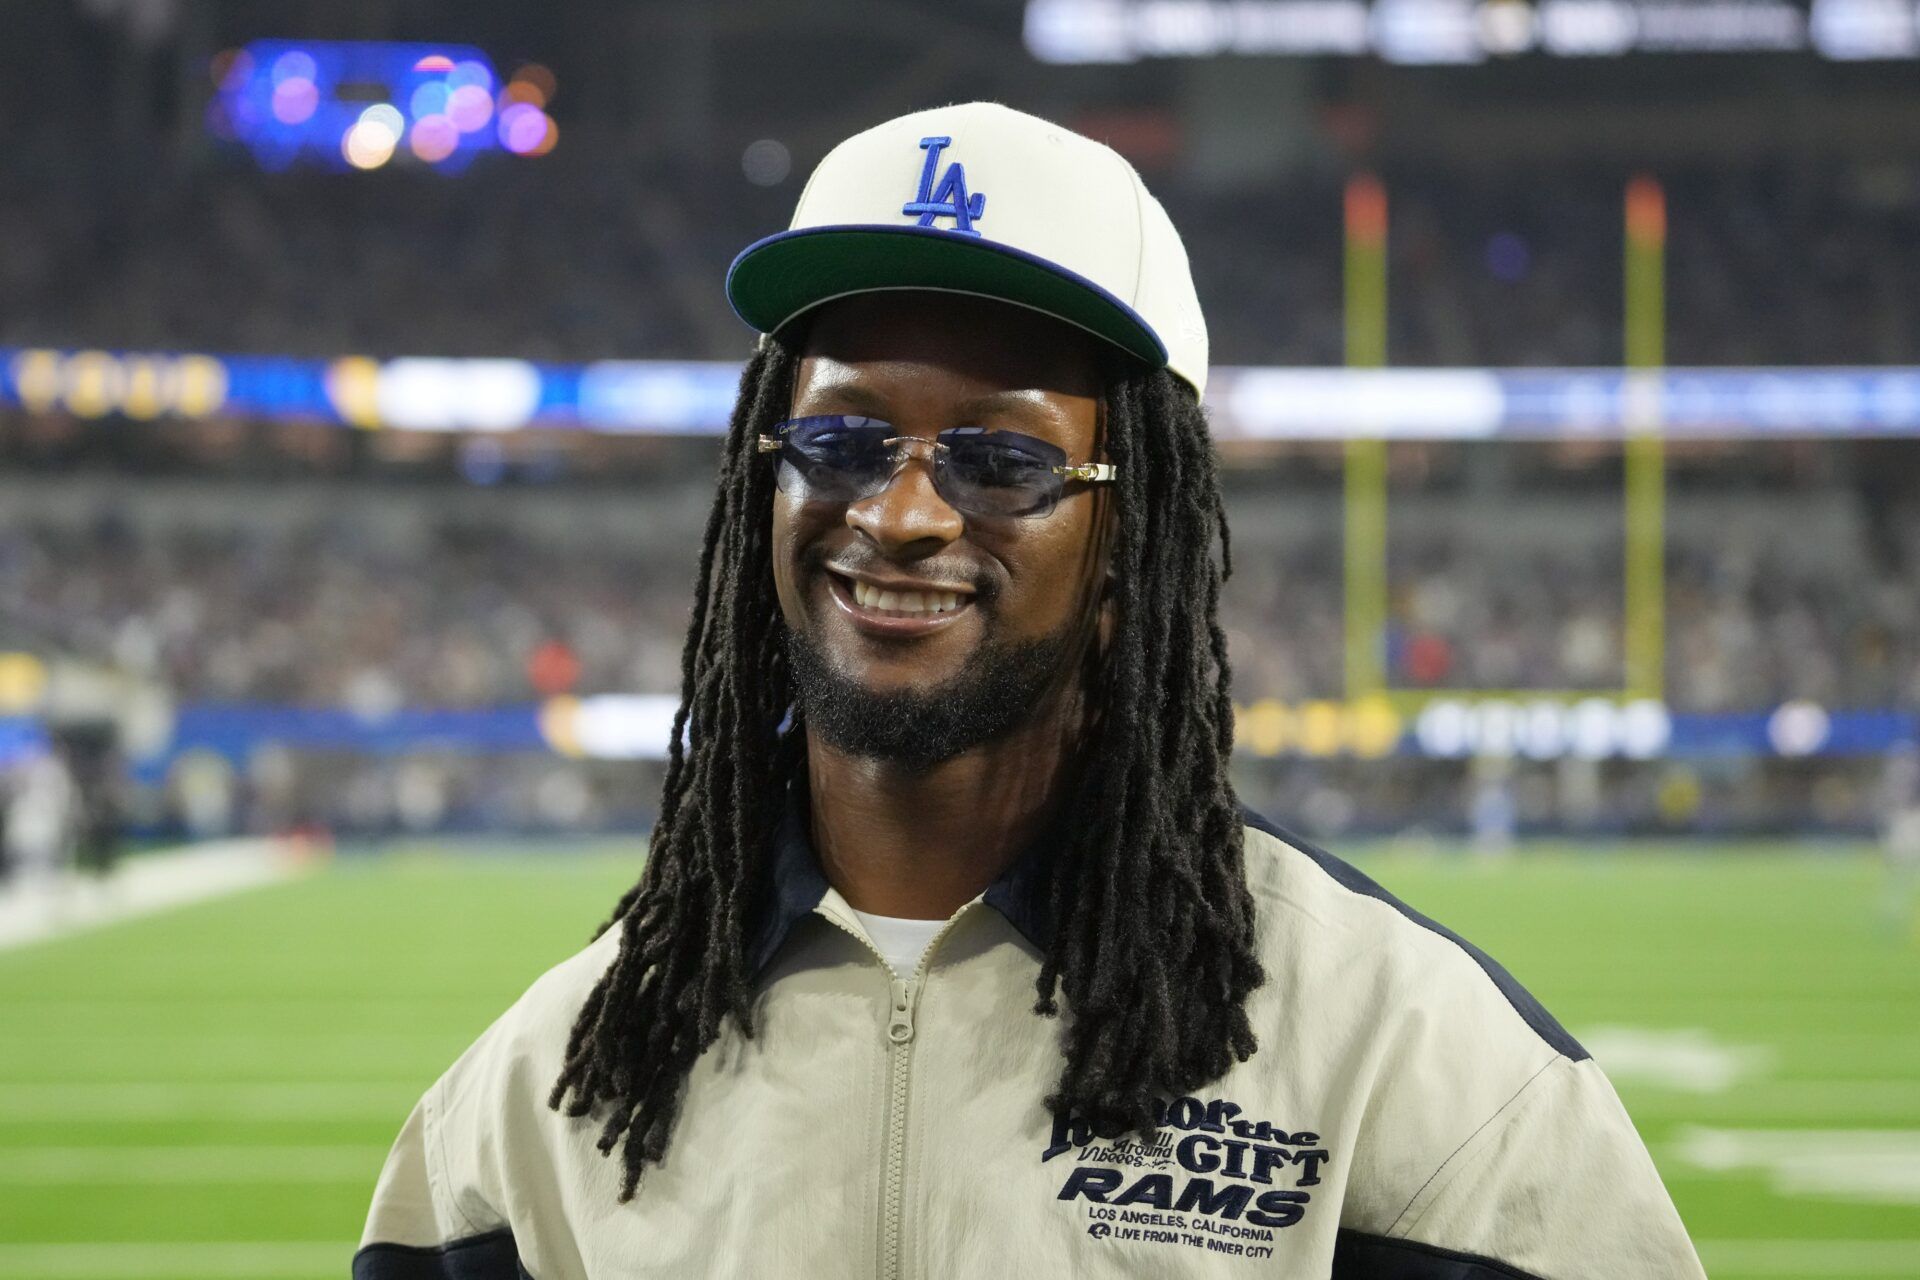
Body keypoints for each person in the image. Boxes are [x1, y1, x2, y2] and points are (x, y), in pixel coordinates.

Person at [357, 103, 1703, 1279]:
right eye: (838, 439)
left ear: (1135, 533)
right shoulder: (550, 1084)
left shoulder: (1413, 1065)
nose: (897, 514)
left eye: (1001, 460)